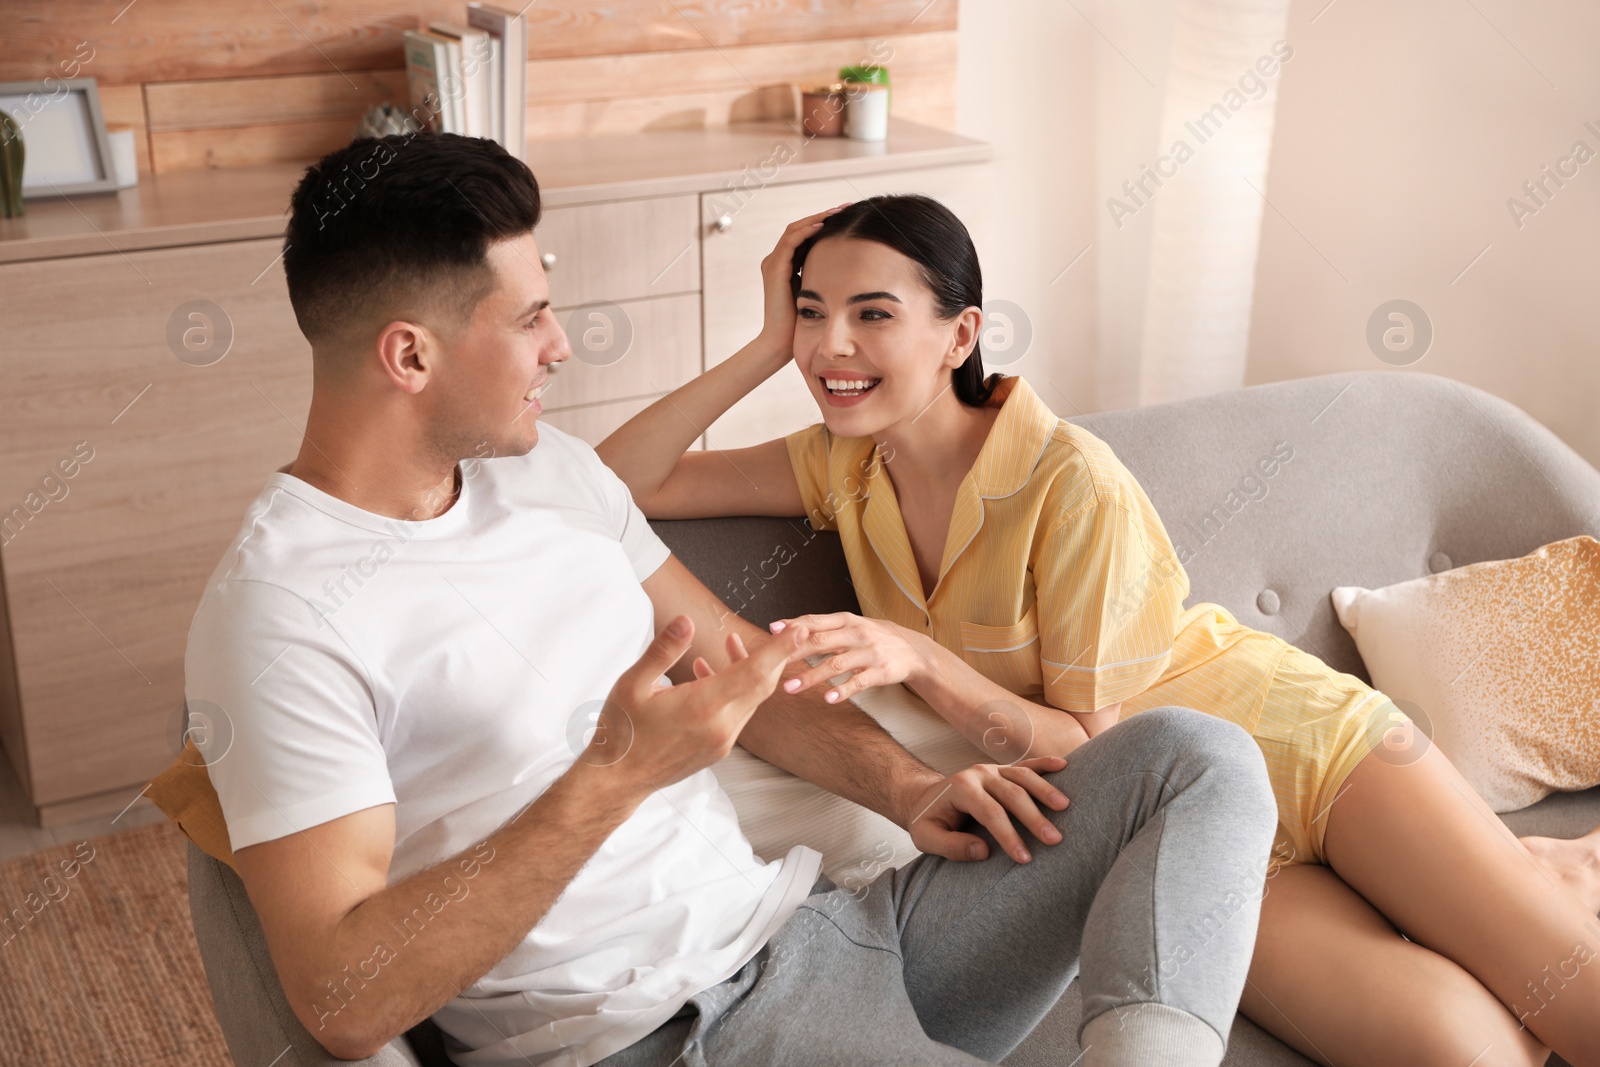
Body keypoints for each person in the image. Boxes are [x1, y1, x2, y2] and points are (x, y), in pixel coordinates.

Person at [167, 132, 1282, 1067]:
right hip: (670, 1031)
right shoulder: (280, 611)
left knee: (1199, 756)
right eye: (529, 319)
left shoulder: (546, 469)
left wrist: (909, 788)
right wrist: (613, 777)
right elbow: (340, 996)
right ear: (409, 355)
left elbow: (740, 661)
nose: (562, 344)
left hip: (825, 929)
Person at [597, 193, 1600, 1067]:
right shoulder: (838, 462)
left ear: (959, 334)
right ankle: (1532, 871)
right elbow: (620, 478)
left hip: (1304, 751)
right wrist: (767, 339)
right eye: (814, 314)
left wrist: (920, 658)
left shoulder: (1066, 480)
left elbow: (1091, 738)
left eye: (872, 315)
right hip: (1180, 830)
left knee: (1580, 1008)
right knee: (1462, 1051)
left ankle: (1509, 874)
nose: (833, 347)